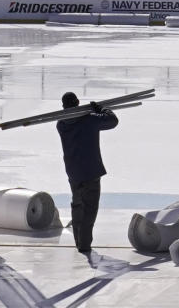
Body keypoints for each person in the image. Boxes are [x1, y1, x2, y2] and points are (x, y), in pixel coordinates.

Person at [56, 91, 118, 254]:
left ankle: (79, 241)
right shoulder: (89, 120)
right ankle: (84, 244)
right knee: (89, 208)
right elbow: (112, 121)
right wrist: (102, 109)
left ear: (63, 107)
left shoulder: (61, 124)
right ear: (77, 103)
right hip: (90, 171)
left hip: (73, 171)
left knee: (77, 205)